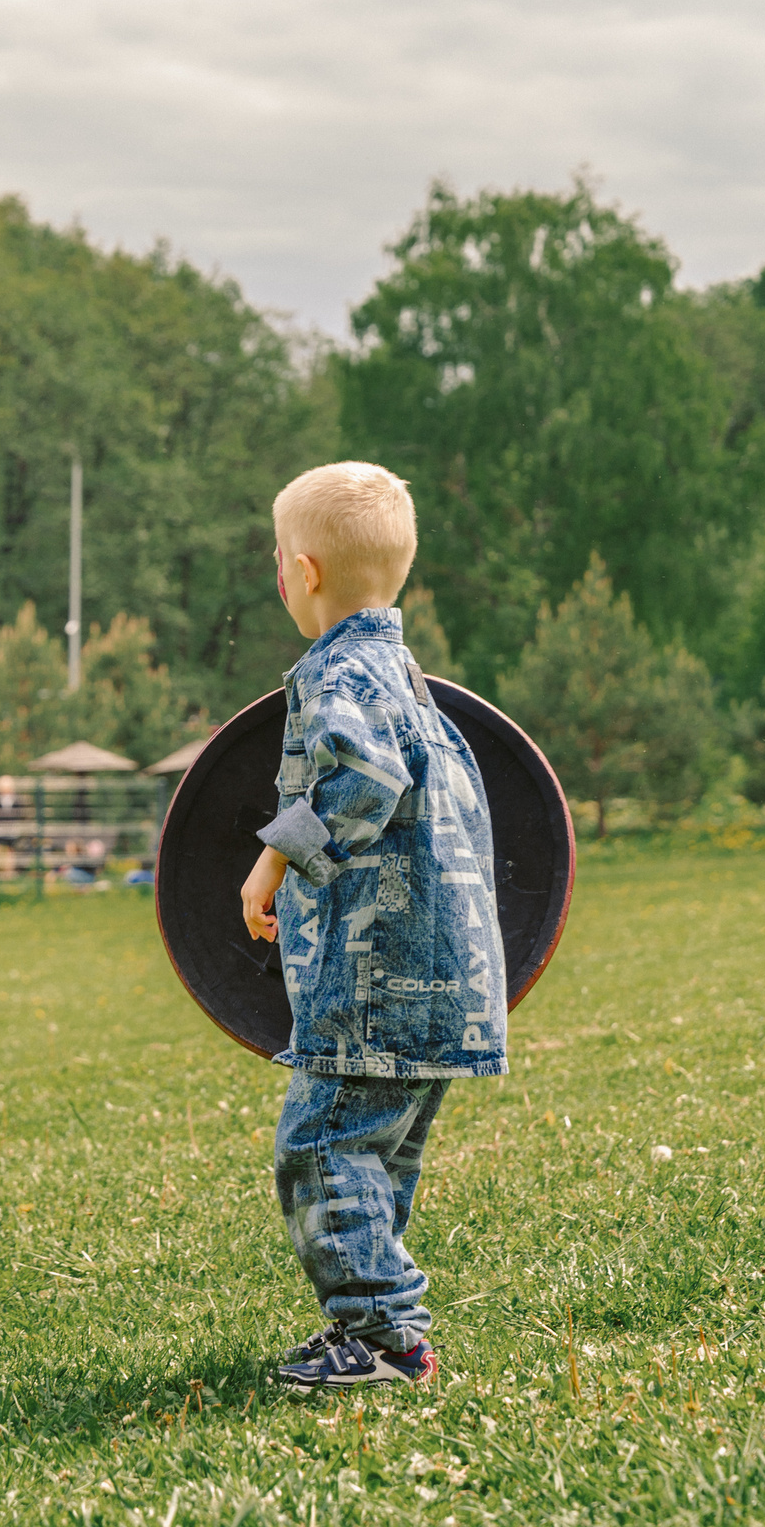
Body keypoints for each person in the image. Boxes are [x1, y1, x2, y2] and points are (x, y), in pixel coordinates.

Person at [236, 461, 505, 1391]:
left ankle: (386, 1335)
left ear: (302, 571)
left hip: (376, 979)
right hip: (448, 980)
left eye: (278, 555)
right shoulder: (405, 673)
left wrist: (277, 854)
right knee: (374, 1159)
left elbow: (365, 777)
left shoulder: (339, 671)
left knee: (320, 1145)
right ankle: (376, 1321)